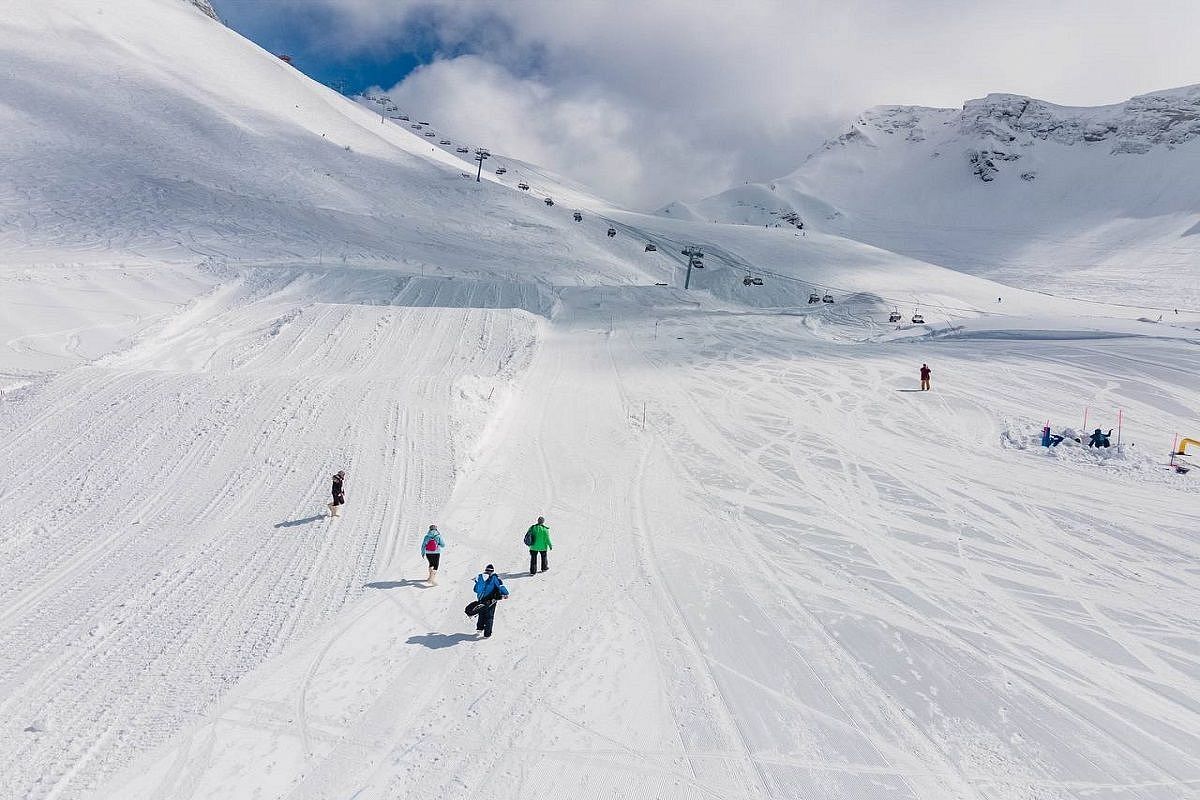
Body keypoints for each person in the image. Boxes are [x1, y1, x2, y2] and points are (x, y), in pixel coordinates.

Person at [472, 565, 509, 638]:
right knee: (489, 616)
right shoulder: (494, 578)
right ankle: (487, 634)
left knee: (481, 613)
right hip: (491, 600)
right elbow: (500, 587)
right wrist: (506, 593)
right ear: (492, 571)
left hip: (481, 599)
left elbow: (475, 590)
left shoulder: (481, 577)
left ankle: (479, 628)